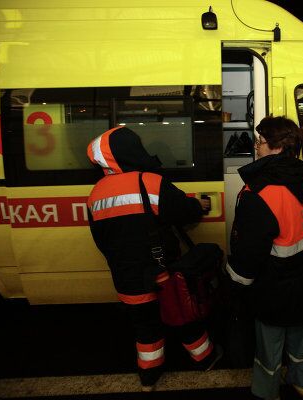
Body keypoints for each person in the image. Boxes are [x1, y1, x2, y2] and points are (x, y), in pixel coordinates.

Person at [86, 126, 221, 391]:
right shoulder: (149, 181)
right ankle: (205, 359)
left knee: (145, 327)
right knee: (182, 316)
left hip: (126, 277)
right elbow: (182, 210)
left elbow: (101, 240)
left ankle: (149, 375)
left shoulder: (96, 193)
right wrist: (199, 206)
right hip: (160, 271)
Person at [226, 116, 303, 400]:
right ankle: (301, 383)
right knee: (300, 339)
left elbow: (248, 255)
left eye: (260, 142)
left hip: (274, 286)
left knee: (269, 347)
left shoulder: (260, 194)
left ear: (277, 148)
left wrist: (236, 286)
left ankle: (266, 391)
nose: (256, 147)